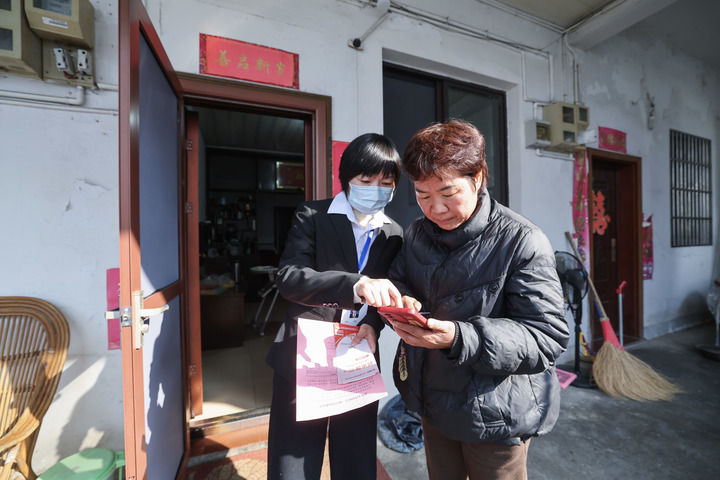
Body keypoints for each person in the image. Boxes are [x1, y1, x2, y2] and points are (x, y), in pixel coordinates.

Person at [372, 120, 569, 479]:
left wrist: (460, 337)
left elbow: (546, 337)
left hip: (495, 412)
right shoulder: (417, 234)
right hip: (432, 399)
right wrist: (402, 302)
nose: (436, 208)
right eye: (422, 195)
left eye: (448, 193)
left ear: (477, 178)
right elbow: (400, 280)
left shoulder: (522, 241)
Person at [265, 133, 404, 480]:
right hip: (307, 353)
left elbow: (387, 291)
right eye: (366, 181)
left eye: (385, 183)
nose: (375, 190)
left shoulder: (394, 233)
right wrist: (353, 286)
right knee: (294, 461)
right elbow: (289, 277)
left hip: (357, 353)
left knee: (356, 458)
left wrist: (373, 323)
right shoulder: (313, 215)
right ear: (346, 179)